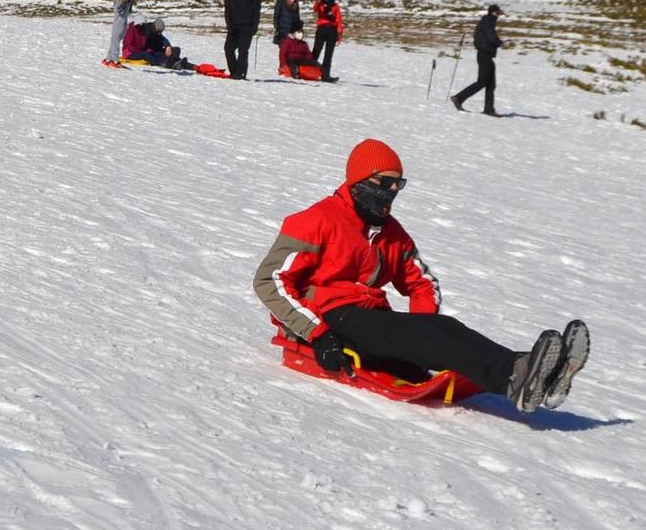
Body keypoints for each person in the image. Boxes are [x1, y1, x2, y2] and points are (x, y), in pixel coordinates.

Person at [252, 139, 589, 413]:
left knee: (443, 329)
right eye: (384, 183)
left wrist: (422, 329)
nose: (392, 192)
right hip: (330, 317)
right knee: (420, 336)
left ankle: (534, 371)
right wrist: (318, 333)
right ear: (359, 181)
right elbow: (270, 281)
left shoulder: (389, 231)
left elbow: (421, 282)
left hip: (369, 318)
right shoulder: (317, 220)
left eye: (399, 184)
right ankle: (515, 378)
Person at [452, 3, 503, 116]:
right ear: (492, 12)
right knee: (482, 82)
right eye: (497, 13)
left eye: (499, 13)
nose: (498, 15)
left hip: (487, 56)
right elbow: (491, 37)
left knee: (491, 84)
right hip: (484, 55)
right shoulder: (488, 22)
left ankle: (489, 109)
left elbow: (488, 37)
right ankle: (458, 98)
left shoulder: (486, 22)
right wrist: (499, 43)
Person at [224, 0, 261, 79]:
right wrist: (229, 23)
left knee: (243, 51)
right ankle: (234, 71)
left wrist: (255, 26)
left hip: (247, 26)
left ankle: (241, 73)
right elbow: (227, 8)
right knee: (228, 49)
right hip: (234, 26)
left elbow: (256, 10)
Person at [121, 18, 190, 69]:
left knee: (168, 51)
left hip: (143, 51)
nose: (159, 33)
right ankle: (163, 64)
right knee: (147, 54)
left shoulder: (149, 30)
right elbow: (128, 45)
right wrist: (141, 51)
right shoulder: (133, 30)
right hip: (130, 53)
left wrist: (167, 46)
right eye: (159, 31)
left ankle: (178, 62)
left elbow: (162, 39)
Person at [311, 0, 343, 81]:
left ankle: (326, 75)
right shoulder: (320, 4)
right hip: (321, 29)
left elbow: (339, 20)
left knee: (329, 54)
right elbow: (315, 8)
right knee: (316, 50)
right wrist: (317, 1)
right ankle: (309, 70)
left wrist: (339, 33)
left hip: (332, 31)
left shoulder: (335, 6)